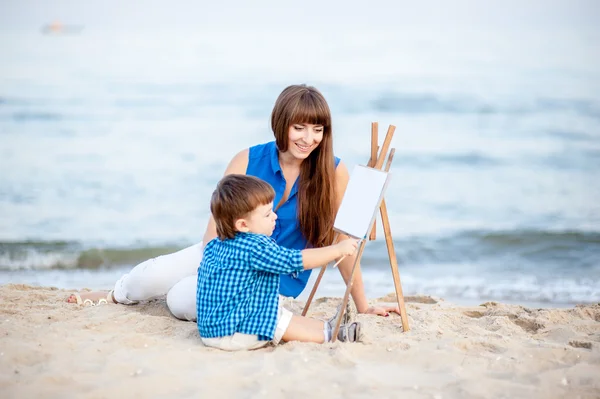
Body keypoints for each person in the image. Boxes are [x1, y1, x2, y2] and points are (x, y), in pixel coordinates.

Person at [67, 84, 400, 320]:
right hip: (221, 258)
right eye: (299, 127)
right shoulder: (246, 159)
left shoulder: (334, 171)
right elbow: (213, 234)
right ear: (281, 124)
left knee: (181, 298)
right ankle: (114, 294)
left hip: (274, 280)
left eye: (317, 130)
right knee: (149, 278)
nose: (308, 139)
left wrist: (362, 304)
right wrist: (218, 274)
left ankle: (187, 295)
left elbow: (343, 242)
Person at [198, 174, 361, 350]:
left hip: (213, 327)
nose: (275, 217)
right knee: (276, 322)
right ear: (243, 225)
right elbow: (296, 261)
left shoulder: (216, 244)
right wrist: (336, 250)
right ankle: (329, 335)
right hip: (234, 333)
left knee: (276, 312)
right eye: (267, 214)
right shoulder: (254, 247)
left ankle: (325, 326)